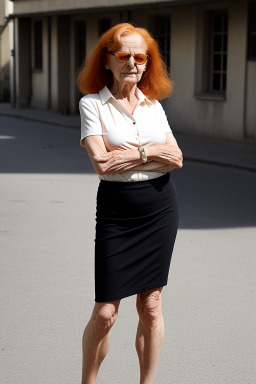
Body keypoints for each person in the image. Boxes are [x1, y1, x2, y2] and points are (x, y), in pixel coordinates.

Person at [77, 22, 183, 384]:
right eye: (124, 55)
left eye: (141, 56)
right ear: (107, 60)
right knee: (106, 312)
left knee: (151, 306)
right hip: (117, 210)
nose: (133, 63)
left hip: (160, 205)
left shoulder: (154, 105)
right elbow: (102, 163)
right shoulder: (92, 104)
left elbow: (177, 158)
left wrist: (138, 151)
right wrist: (155, 154)